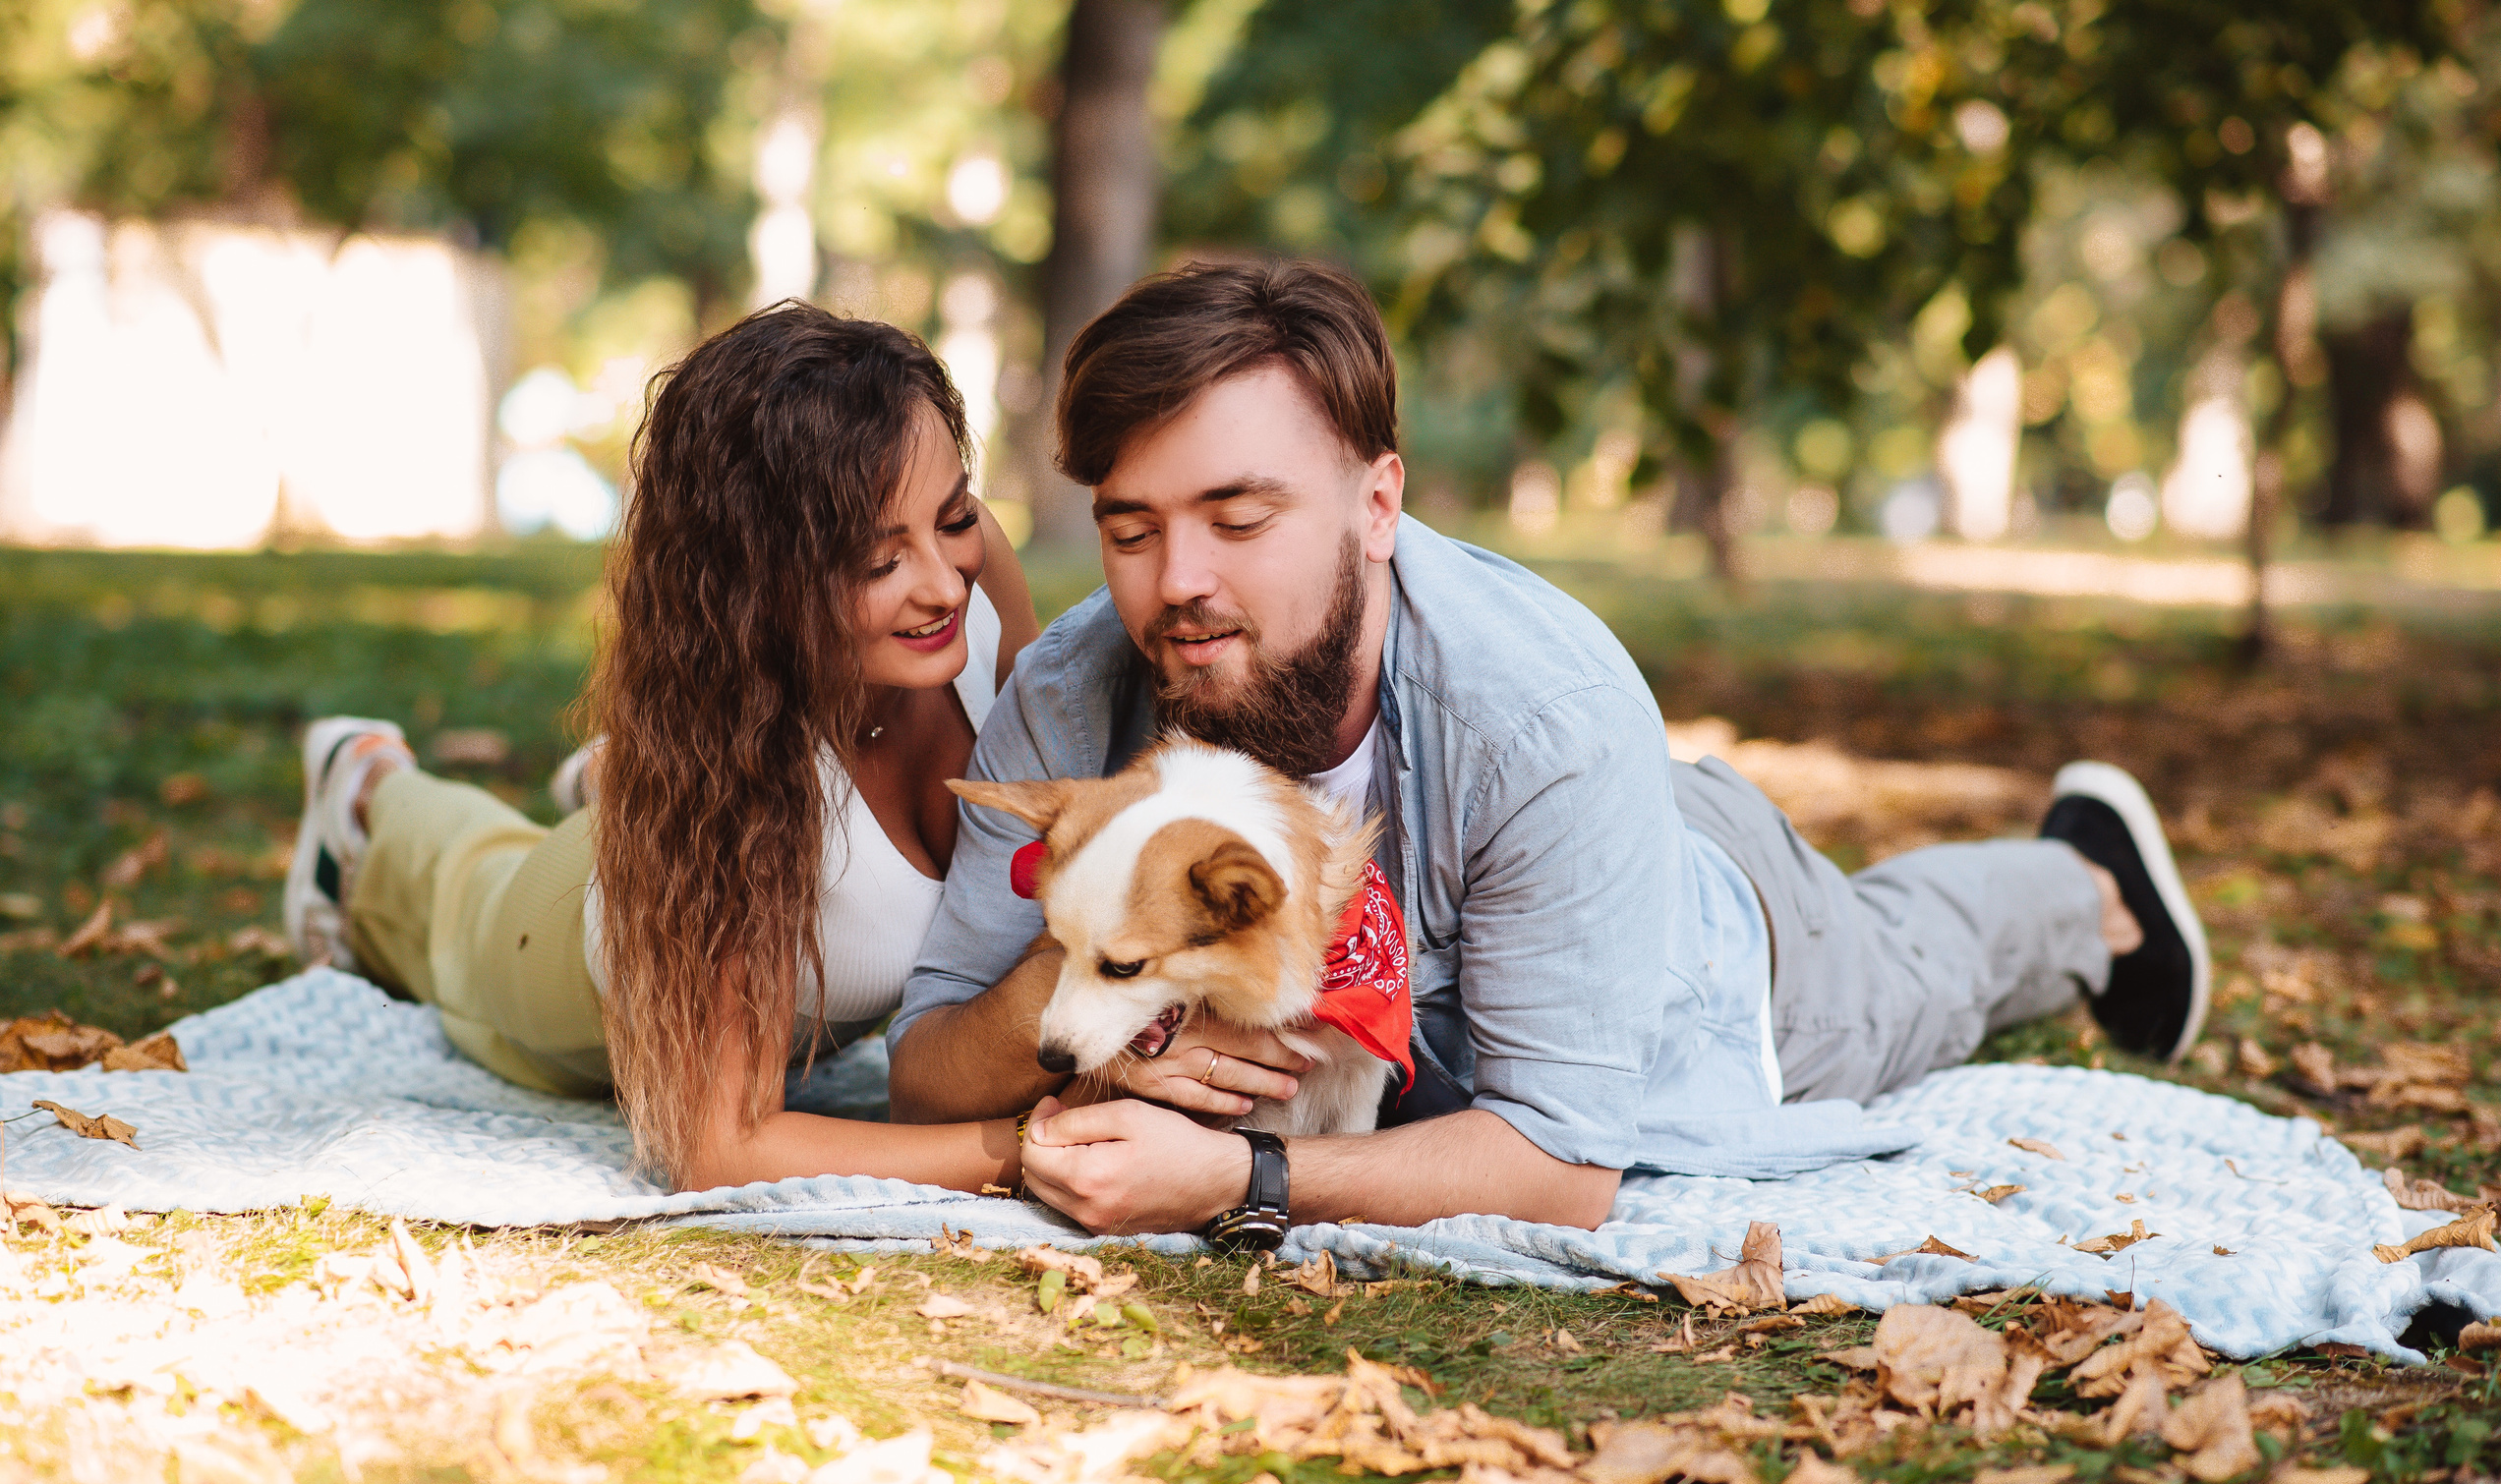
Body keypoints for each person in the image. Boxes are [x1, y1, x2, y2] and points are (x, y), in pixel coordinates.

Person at [888, 258, 2209, 1239]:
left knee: (1920, 966)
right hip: (1566, 838)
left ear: (1377, 506)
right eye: (1131, 530)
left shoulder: (1543, 714)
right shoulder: (1072, 693)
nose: (1177, 580)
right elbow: (926, 1065)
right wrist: (1095, 1022)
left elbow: (1559, 1168)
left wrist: (1245, 1180)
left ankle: (2090, 881)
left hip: (1722, 954)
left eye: (1239, 519)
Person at [281, 304, 1043, 1193]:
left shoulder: (975, 582)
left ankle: (615, 774)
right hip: (552, 968)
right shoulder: (736, 796)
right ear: (760, 585)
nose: (946, 584)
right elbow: (717, 1151)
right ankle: (366, 781)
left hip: (695, 807)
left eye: (953, 518)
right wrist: (1031, 1147)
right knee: (464, 887)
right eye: (879, 564)